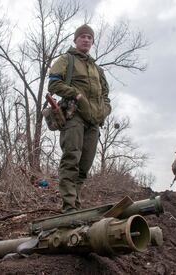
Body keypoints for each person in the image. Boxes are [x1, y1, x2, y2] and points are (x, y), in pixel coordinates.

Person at [48, 24, 111, 213]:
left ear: (92, 42)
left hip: (94, 122)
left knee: (84, 165)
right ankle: (69, 207)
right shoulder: (66, 60)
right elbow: (53, 83)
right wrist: (76, 95)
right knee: (71, 160)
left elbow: (106, 95)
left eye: (89, 37)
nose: (86, 40)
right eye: (82, 36)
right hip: (74, 116)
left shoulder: (97, 70)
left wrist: (105, 110)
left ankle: (75, 204)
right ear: (75, 40)